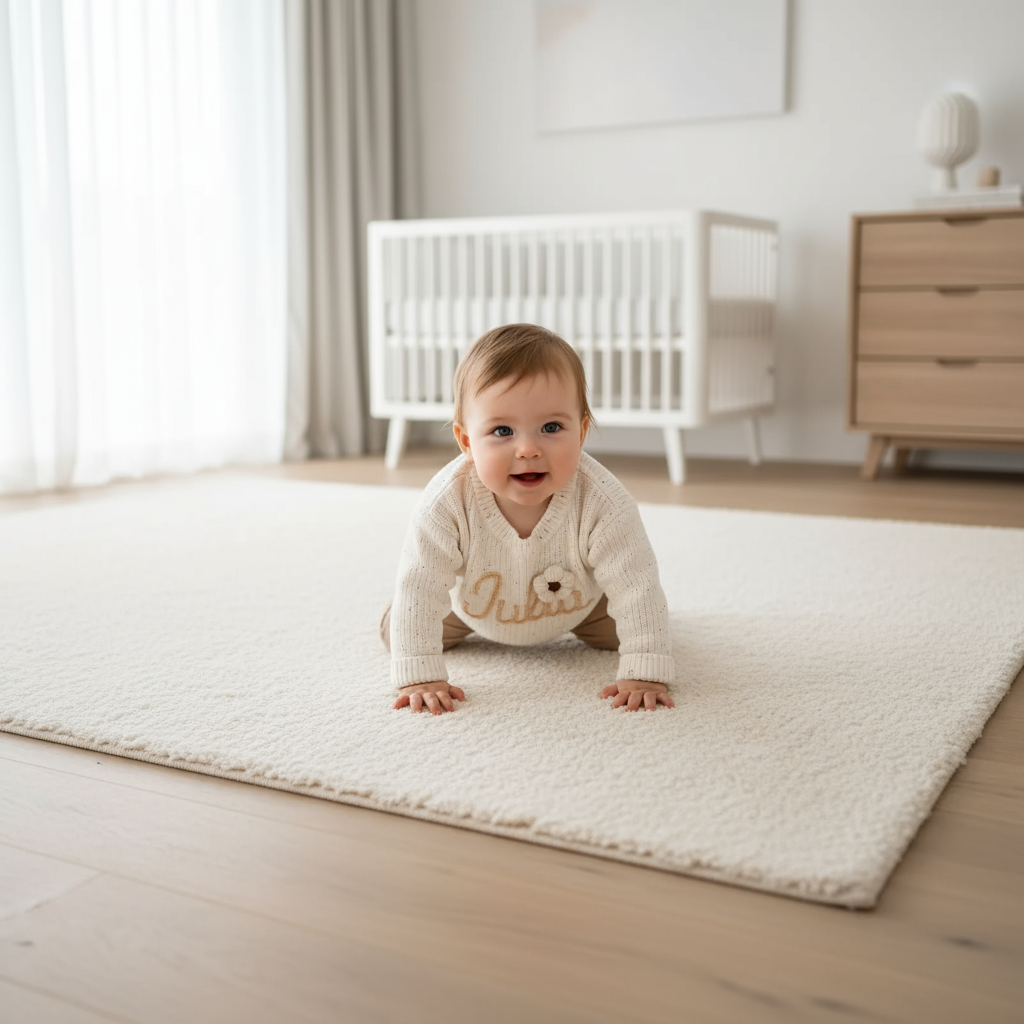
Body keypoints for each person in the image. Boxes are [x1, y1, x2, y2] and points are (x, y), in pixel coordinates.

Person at [380, 323, 676, 715]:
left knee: (642, 619)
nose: (528, 449)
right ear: (466, 441)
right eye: (502, 430)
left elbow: (637, 584)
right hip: (469, 609)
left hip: (582, 606)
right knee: (403, 624)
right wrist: (420, 676)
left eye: (551, 428)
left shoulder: (604, 502)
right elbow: (420, 587)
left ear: (582, 431)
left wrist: (645, 670)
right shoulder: (445, 504)